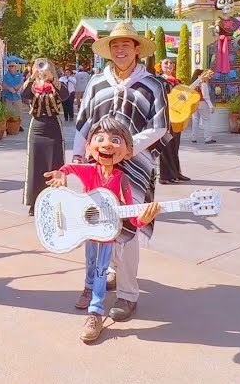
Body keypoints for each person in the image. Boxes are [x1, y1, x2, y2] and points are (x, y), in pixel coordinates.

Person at [70, 20, 169, 323]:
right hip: (97, 164)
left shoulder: (152, 85)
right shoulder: (97, 83)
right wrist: (77, 154)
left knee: (126, 228)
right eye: (115, 45)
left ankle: (127, 294)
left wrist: (127, 148)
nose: (120, 49)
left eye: (126, 44)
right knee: (96, 224)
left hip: (135, 166)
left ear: (137, 49)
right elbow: (85, 122)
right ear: (109, 50)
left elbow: (160, 126)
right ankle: (97, 279)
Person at [46, 116, 158, 343]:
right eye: (100, 139)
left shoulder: (122, 179)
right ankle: (88, 289)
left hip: (107, 236)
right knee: (90, 263)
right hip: (88, 230)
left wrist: (141, 219)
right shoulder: (89, 170)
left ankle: (95, 313)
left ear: (128, 151)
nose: (107, 144)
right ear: (89, 147)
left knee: (100, 270)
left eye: (116, 140)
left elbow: (130, 215)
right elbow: (70, 168)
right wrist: (61, 173)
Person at [21, 57, 71, 215]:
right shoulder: (33, 85)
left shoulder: (57, 85)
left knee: (55, 162)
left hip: (53, 126)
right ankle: (34, 202)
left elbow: (65, 95)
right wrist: (32, 77)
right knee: (35, 163)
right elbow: (23, 95)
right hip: (37, 125)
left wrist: (52, 79)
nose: (42, 71)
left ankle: (56, 200)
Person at [157, 57, 187, 184]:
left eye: (171, 63)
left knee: (175, 145)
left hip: (176, 116)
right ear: (160, 66)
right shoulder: (159, 80)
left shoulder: (177, 81)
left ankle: (176, 173)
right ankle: (165, 176)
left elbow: (182, 98)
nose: (169, 65)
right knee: (166, 146)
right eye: (166, 63)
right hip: (165, 116)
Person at [0, 60, 25, 134]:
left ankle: (18, 126)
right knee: (8, 112)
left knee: (18, 112)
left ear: (16, 67)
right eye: (10, 66)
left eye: (12, 66)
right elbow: (4, 84)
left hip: (17, 96)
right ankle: (8, 127)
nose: (11, 67)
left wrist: (14, 89)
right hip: (8, 96)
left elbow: (21, 83)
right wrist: (9, 89)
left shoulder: (19, 75)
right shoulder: (6, 76)